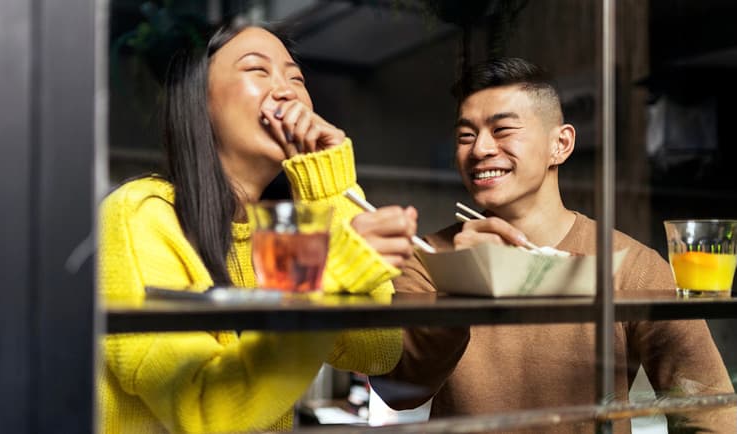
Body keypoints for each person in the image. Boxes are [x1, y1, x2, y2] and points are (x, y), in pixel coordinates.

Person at [370, 57, 735, 433]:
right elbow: (396, 391)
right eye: (465, 135)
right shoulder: (424, 259)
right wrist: (462, 285)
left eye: (502, 130)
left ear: (560, 144)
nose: (479, 149)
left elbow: (710, 413)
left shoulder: (631, 265)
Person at [98, 23, 419, 433]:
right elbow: (205, 411)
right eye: (257, 71)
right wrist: (340, 266)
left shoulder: (281, 233)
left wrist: (327, 182)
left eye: (295, 77)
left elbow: (374, 350)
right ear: (201, 102)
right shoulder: (142, 214)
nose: (287, 91)